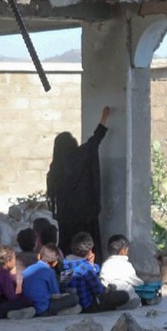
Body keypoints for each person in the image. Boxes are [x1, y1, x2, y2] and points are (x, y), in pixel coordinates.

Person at [47, 106, 112, 255]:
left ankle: (66, 274)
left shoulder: (55, 169)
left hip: (65, 218)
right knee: (86, 248)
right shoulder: (80, 157)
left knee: (67, 247)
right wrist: (104, 117)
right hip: (85, 216)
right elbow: (95, 140)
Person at [63, 233, 132, 313]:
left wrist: (92, 265)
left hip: (75, 303)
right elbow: (99, 290)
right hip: (89, 306)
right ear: (89, 251)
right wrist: (110, 289)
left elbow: (63, 285)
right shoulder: (86, 268)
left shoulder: (66, 264)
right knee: (124, 295)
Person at [22, 244, 79, 317]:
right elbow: (56, 294)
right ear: (55, 262)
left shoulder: (27, 270)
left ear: (39, 256)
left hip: (30, 304)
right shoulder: (50, 271)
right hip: (44, 309)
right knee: (74, 298)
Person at [100, 234, 144, 304]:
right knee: (134, 292)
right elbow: (137, 282)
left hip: (108, 295)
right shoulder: (126, 265)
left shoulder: (105, 264)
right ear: (123, 251)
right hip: (125, 295)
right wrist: (143, 282)